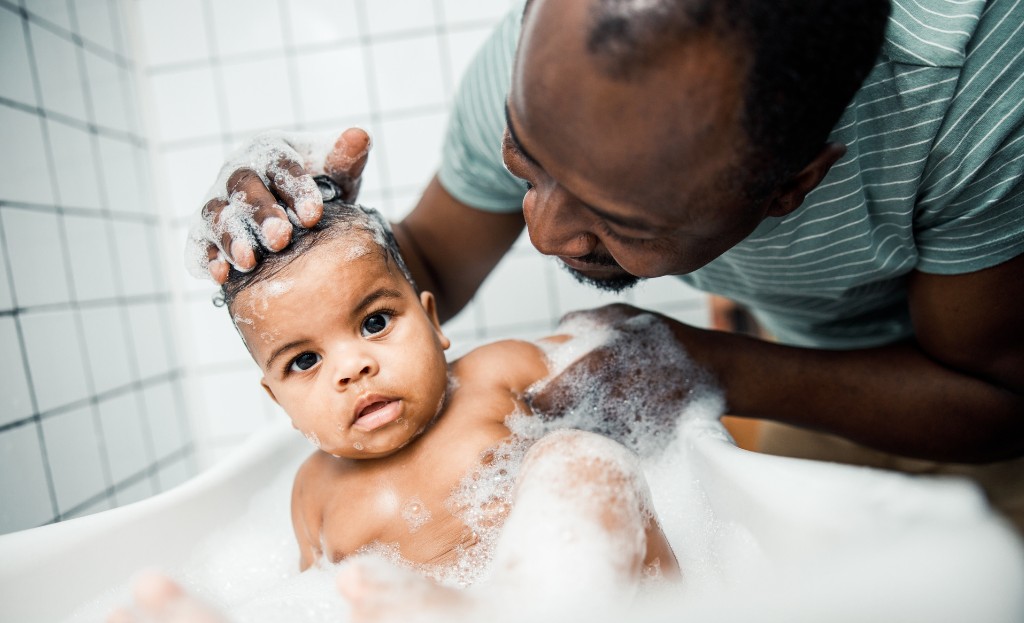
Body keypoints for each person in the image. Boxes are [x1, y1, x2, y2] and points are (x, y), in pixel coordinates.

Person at [187, 0, 1024, 529]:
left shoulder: (976, 95)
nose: (544, 232)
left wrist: (700, 362)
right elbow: (430, 257)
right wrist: (311, 248)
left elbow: (996, 399)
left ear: (791, 187)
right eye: (525, 160)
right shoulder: (551, 64)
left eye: (616, 220)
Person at [94, 196, 681, 623]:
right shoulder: (311, 492)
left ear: (431, 320)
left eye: (375, 322)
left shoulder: (495, 375)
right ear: (278, 401)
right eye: (304, 361)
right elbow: (308, 614)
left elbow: (626, 363)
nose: (353, 368)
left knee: (579, 458)